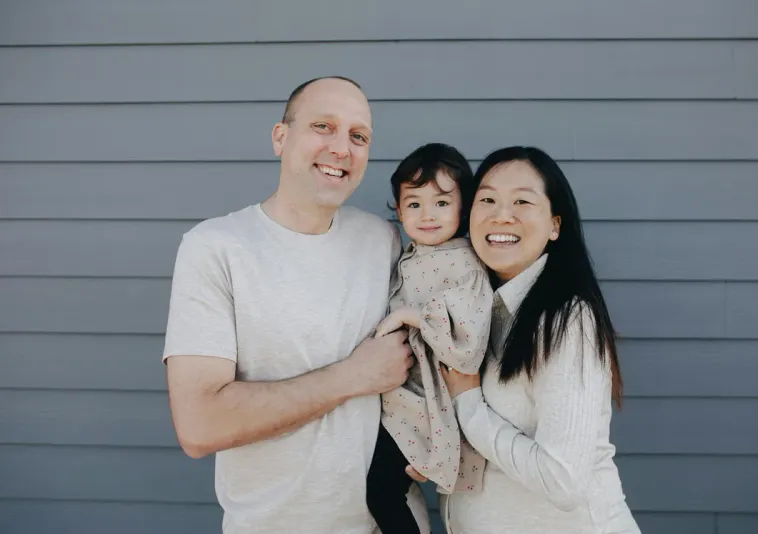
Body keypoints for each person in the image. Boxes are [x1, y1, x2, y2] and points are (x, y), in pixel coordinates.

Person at [161, 76, 430, 534]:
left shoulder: (382, 239)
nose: (342, 148)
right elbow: (199, 425)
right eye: (323, 126)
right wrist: (353, 376)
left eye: (358, 136)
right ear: (280, 138)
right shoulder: (216, 248)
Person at [438, 146, 641, 533]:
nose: (502, 214)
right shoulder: (477, 314)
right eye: (488, 199)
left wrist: (468, 403)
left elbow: (561, 481)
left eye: (522, 201)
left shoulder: (568, 321)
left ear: (555, 225)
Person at [366, 143, 493, 534]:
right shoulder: (413, 253)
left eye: (441, 203)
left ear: (464, 208)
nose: (427, 215)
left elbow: (470, 339)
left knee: (381, 490)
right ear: (399, 210)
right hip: (401, 389)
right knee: (379, 484)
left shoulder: (466, 262)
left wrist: (410, 316)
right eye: (414, 204)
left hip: (428, 399)